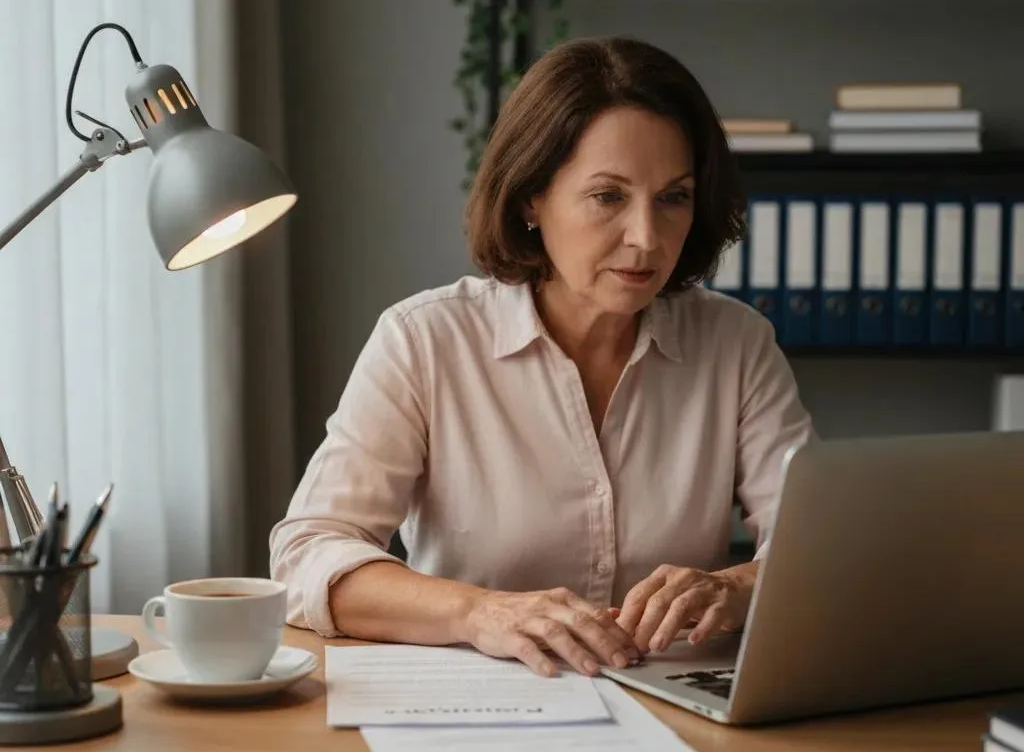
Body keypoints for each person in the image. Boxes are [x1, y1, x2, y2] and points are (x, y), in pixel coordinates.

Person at [270, 35, 814, 678]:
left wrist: (740, 589)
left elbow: (821, 550)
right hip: (475, 713)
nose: (646, 238)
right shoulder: (425, 341)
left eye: (674, 197)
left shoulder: (737, 345)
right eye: (608, 196)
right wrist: (478, 612)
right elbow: (308, 554)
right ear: (533, 198)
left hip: (678, 711)